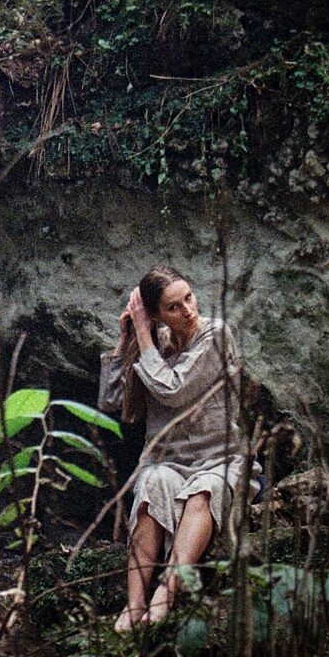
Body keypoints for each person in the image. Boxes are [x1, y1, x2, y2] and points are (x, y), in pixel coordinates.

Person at [99, 266, 260, 631]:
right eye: (174, 306)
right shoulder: (154, 343)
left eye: (188, 297)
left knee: (203, 492)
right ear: (157, 314)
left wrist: (144, 333)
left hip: (220, 457)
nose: (188, 309)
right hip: (169, 461)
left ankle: (166, 592)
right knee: (152, 485)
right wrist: (127, 340)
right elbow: (110, 401)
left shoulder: (216, 335)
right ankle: (134, 601)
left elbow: (173, 389)